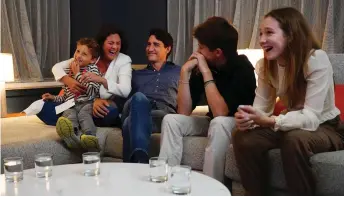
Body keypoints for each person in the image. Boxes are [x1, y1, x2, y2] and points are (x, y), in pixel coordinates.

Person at [232, 7, 343, 195]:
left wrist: (272, 121)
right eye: (260, 33)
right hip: (291, 124)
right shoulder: (265, 65)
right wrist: (248, 119)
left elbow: (311, 118)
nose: (261, 40)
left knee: (295, 139)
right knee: (243, 137)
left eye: (269, 33)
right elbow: (261, 109)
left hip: (326, 127)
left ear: (290, 35)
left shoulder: (315, 60)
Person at [158, 16, 256, 182]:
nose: (197, 52)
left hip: (239, 124)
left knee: (219, 123)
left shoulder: (242, 68)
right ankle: (167, 180)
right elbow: (183, 111)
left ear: (217, 52)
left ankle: (212, 188)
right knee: (171, 120)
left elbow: (221, 113)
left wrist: (205, 72)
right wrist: (184, 72)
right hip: (214, 121)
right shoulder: (205, 65)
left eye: (201, 47)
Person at [32, 25, 132, 148]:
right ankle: (72, 128)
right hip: (75, 102)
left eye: (118, 43)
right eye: (111, 43)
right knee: (43, 106)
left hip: (97, 106)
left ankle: (80, 128)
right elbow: (57, 68)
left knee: (110, 112)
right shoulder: (86, 56)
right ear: (102, 43)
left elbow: (125, 90)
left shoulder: (123, 60)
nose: (115, 47)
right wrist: (69, 82)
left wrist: (99, 87)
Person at [121, 28, 180, 163]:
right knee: (139, 98)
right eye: (148, 44)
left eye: (156, 44)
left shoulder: (179, 72)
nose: (150, 48)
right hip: (136, 108)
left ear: (168, 49)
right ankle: (141, 159)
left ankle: (132, 168)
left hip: (162, 116)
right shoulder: (135, 74)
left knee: (127, 124)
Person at [42, 38, 101, 149]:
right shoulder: (70, 70)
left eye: (84, 54)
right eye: (77, 51)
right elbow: (66, 95)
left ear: (92, 59)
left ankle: (90, 138)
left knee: (84, 116)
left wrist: (77, 74)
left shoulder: (93, 69)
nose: (78, 55)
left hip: (86, 103)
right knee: (68, 114)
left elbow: (93, 90)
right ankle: (71, 136)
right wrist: (53, 98)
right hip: (71, 104)